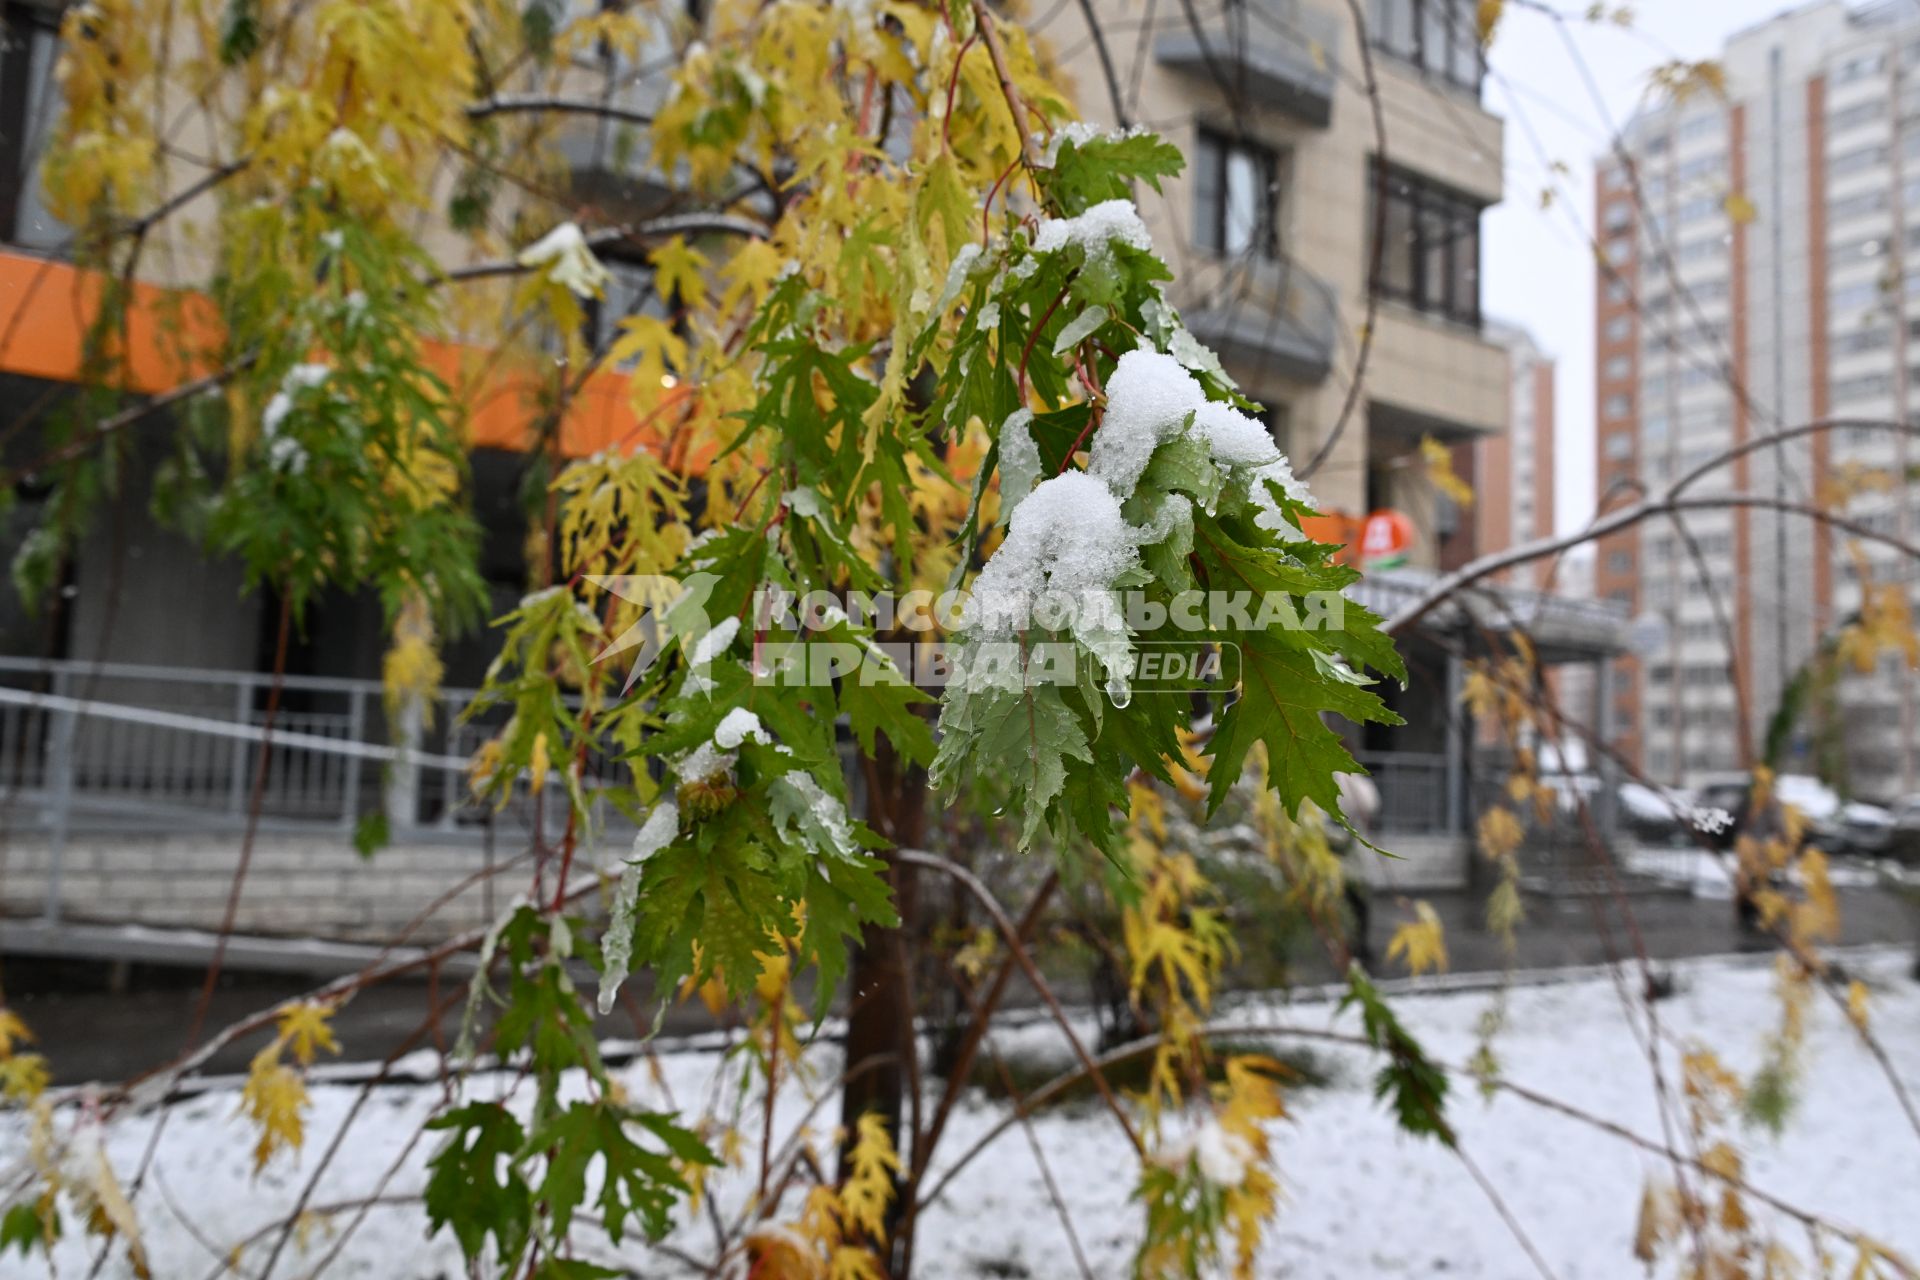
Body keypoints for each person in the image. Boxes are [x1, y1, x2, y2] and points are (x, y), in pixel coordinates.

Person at [1330, 770, 1381, 968]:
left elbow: (1369, 805)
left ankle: (1356, 945)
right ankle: (1349, 945)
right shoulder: (1337, 779)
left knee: (1357, 904)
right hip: (1341, 855)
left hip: (1355, 856)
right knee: (1349, 904)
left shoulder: (1355, 781)